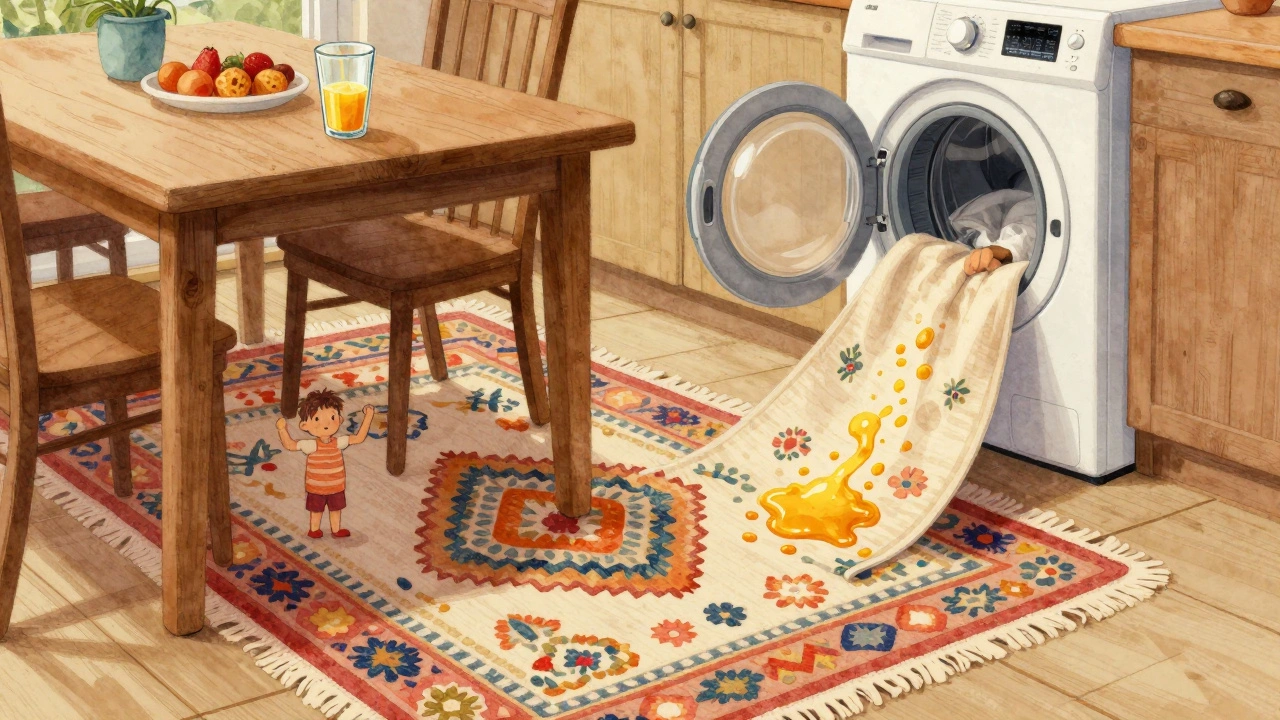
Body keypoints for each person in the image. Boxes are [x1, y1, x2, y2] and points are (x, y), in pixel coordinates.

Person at [275, 388, 375, 538]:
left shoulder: (338, 442)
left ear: (340, 420)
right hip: (316, 488)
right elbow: (290, 445)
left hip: (336, 487)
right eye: (317, 419)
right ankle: (314, 529)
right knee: (316, 510)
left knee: (336, 509)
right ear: (304, 426)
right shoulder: (311, 445)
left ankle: (336, 530)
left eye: (332, 417)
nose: (326, 424)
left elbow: (359, 438)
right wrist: (282, 429)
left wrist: (369, 416)